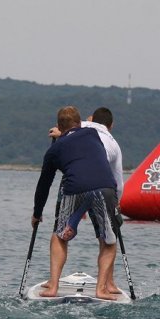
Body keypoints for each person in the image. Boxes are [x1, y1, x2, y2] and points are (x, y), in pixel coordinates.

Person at [32, 106, 119, 300]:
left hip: (74, 188)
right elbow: (82, 132)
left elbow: (44, 184)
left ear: (59, 127)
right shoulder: (93, 133)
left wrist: (37, 213)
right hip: (104, 187)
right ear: (80, 123)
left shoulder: (54, 150)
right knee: (108, 242)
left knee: (60, 236)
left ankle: (53, 286)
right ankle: (101, 289)